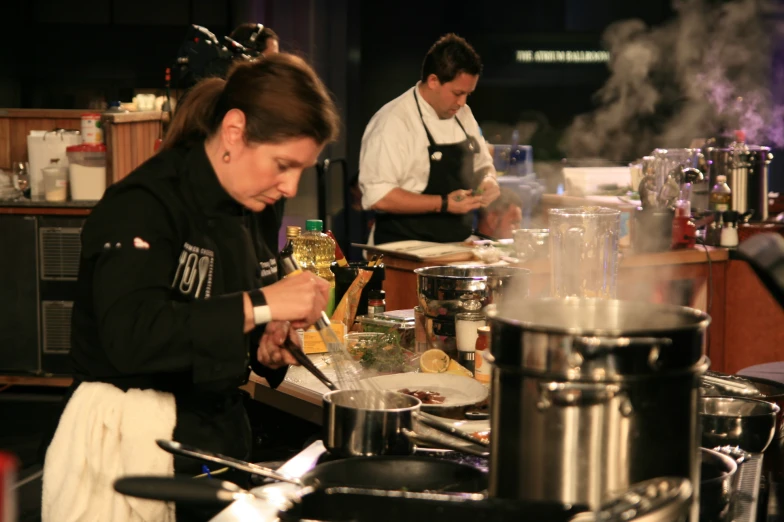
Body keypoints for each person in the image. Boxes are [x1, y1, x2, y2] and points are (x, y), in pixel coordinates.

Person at [41, 53, 339, 522]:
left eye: (301, 168)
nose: (289, 186)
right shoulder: (143, 204)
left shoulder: (254, 210)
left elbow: (222, 321)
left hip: (219, 439)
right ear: (235, 132)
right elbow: (131, 337)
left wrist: (266, 342)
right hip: (132, 441)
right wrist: (262, 302)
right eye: (283, 164)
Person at [358, 33, 501, 245]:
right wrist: (443, 204)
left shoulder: (464, 115)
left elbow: (483, 166)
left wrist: (489, 181)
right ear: (433, 81)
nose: (462, 103)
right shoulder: (393, 122)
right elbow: (378, 197)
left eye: (467, 95)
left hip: (456, 247)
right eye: (457, 93)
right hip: (403, 250)